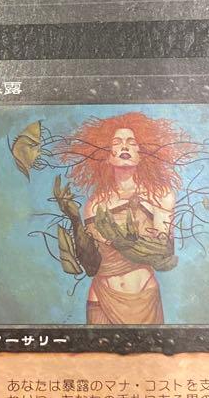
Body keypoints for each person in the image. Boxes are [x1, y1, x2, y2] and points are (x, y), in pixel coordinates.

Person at [60, 111, 183, 324]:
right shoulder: (95, 204)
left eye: (131, 143)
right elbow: (91, 266)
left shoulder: (160, 195)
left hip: (143, 298)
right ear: (107, 155)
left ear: (142, 153)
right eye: (117, 143)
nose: (125, 147)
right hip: (100, 298)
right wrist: (75, 220)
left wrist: (123, 241)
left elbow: (164, 254)